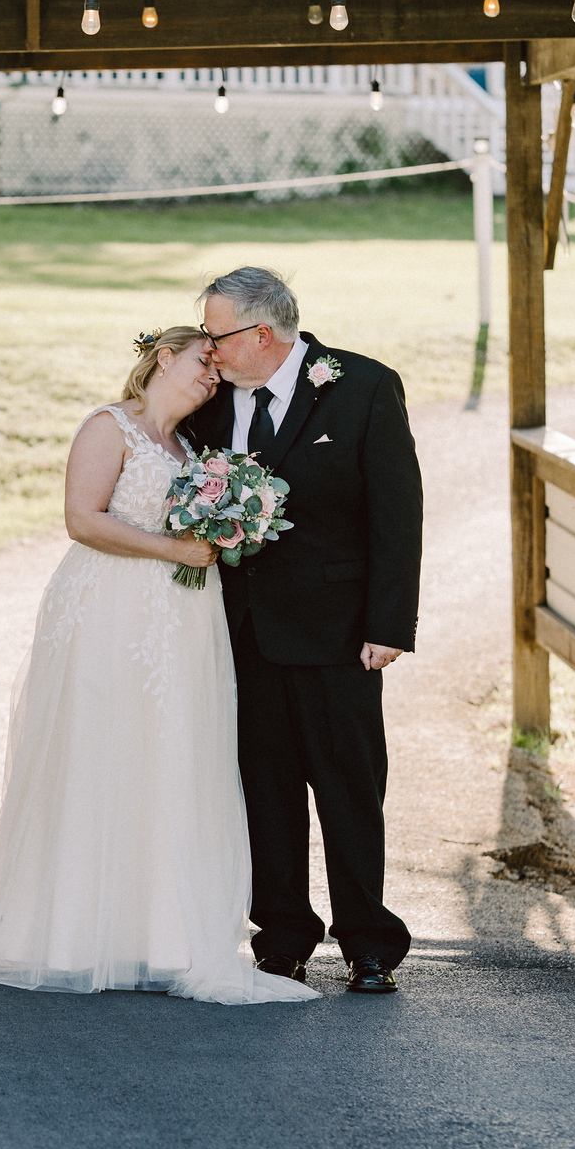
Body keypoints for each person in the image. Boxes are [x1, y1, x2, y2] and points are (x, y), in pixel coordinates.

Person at [0, 325, 316, 1008]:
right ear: (163, 358)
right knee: (100, 750)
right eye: (203, 362)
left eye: (218, 369)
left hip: (181, 618)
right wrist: (174, 551)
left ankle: (163, 938)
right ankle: (70, 937)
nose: (212, 377)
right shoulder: (108, 427)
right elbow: (81, 520)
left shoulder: (194, 450)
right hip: (107, 610)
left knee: (169, 756)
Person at [184, 266, 423, 994]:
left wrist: (389, 624)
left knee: (350, 790)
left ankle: (368, 942)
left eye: (216, 335)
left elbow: (397, 513)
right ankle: (282, 937)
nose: (208, 349)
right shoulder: (209, 399)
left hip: (339, 636)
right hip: (241, 633)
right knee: (265, 791)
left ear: (261, 334)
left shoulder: (363, 387)